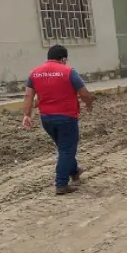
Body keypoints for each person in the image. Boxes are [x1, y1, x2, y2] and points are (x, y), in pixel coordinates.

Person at [22, 44, 94, 195]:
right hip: (67, 117)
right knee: (68, 149)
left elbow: (28, 96)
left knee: (63, 147)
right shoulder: (69, 72)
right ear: (63, 59)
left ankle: (74, 171)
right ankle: (61, 183)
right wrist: (89, 104)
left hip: (46, 119)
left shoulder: (34, 73)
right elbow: (84, 93)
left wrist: (27, 115)